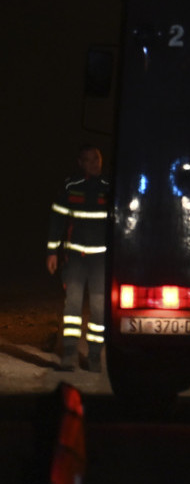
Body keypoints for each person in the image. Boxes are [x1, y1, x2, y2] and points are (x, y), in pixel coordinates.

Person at [46, 145, 110, 372]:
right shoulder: (71, 186)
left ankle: (94, 356)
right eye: (90, 160)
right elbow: (57, 220)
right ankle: (69, 354)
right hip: (75, 259)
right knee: (72, 306)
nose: (95, 163)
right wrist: (52, 252)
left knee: (99, 310)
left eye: (98, 159)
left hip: (101, 261)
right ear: (80, 162)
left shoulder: (109, 188)